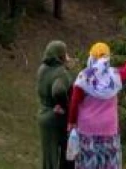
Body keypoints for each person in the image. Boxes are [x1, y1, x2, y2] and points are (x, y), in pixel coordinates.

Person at [67, 42, 126, 169]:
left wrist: (71, 122)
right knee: (109, 163)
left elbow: (74, 103)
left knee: (88, 163)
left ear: (91, 57)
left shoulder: (83, 78)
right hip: (109, 129)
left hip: (87, 129)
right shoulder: (114, 76)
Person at [38, 40, 75, 169]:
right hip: (57, 117)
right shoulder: (61, 72)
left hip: (44, 114)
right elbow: (58, 90)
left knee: (49, 158)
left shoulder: (42, 69)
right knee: (67, 155)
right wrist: (64, 105)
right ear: (60, 55)